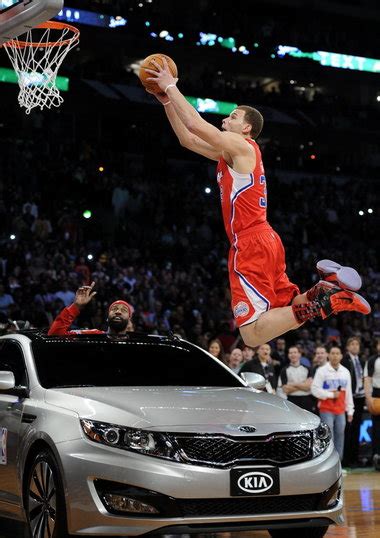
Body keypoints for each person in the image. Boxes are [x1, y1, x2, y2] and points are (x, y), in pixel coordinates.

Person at [145, 59, 371, 348]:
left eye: (234, 116)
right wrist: (166, 102)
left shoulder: (241, 146)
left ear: (247, 128)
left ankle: (328, 300)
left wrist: (171, 86)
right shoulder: (232, 154)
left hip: (250, 242)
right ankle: (321, 292)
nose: (226, 119)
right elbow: (187, 140)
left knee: (251, 334)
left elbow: (194, 123)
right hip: (265, 239)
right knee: (285, 306)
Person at [311, 345, 354, 460]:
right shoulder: (321, 371)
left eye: (337, 353)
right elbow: (314, 390)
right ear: (329, 355)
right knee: (329, 436)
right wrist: (330, 395)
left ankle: (339, 463)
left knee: (340, 435)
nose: (335, 356)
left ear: (341, 356)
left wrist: (350, 410)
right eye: (333, 353)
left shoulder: (345, 372)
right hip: (326, 409)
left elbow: (348, 392)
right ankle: (329, 462)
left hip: (340, 410)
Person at [48, 282, 134, 336]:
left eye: (124, 310)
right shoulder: (93, 335)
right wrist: (76, 306)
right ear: (107, 318)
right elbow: (54, 334)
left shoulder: (138, 342)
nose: (118, 311)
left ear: (129, 319)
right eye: (114, 309)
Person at [341, 337, 365, 467]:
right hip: (349, 399)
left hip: (360, 398)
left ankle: (355, 458)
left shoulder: (361, 361)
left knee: (356, 429)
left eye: (357, 344)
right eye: (352, 344)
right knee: (348, 429)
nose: (355, 346)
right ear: (347, 347)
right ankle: (346, 459)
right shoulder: (344, 361)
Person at [277, 346, 314, 411]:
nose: (293, 354)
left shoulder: (307, 369)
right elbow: (285, 390)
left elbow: (308, 387)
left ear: (299, 354)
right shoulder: (284, 370)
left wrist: (291, 384)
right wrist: (303, 384)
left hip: (306, 399)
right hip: (292, 400)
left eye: (295, 352)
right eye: (290, 353)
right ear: (288, 355)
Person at [364, 338, 380, 471]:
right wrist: (368, 398)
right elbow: (367, 380)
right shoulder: (372, 360)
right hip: (377, 394)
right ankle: (376, 456)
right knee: (377, 428)